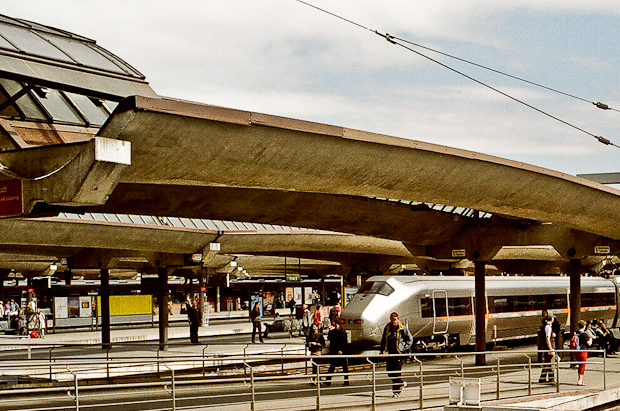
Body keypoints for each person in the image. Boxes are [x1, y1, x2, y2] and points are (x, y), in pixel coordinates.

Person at [380, 312, 413, 398]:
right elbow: (384, 338)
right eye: (391, 319)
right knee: (389, 371)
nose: (393, 321)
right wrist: (382, 349)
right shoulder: (387, 327)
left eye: (394, 319)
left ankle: (396, 391)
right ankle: (401, 383)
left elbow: (410, 339)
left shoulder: (402, 328)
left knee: (396, 372)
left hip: (399, 353)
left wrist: (404, 348)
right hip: (391, 352)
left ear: (398, 319)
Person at [324, 319, 349, 386]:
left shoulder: (342, 331)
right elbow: (330, 340)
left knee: (344, 366)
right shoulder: (333, 331)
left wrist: (341, 349)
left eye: (333, 322)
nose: (333, 324)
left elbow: (344, 342)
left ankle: (346, 380)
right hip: (334, 351)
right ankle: (328, 380)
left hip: (341, 352)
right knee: (332, 366)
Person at [573, 320, 592, 386]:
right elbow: (589, 343)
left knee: (580, 365)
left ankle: (580, 379)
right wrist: (591, 339)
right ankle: (580, 380)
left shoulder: (576, 333)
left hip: (576, 351)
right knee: (582, 366)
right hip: (583, 351)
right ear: (584, 326)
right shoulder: (584, 334)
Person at [539, 316, 556, 383]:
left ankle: (542, 378)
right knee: (551, 364)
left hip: (548, 348)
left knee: (547, 363)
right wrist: (550, 349)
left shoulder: (547, 326)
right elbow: (547, 339)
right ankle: (551, 379)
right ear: (551, 319)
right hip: (549, 348)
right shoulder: (548, 327)